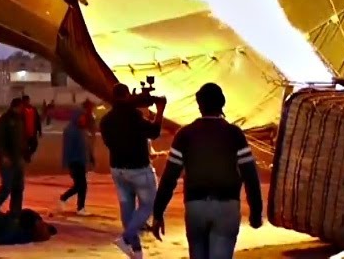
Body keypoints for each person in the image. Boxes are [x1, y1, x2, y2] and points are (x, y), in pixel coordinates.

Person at [152, 83, 263, 259]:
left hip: (195, 207)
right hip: (226, 207)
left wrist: (158, 212)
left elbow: (169, 177)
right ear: (222, 104)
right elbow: (250, 176)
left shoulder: (184, 135)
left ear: (199, 105)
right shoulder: (234, 134)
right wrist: (256, 212)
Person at [99, 83, 166, 259]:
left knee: (127, 212)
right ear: (128, 95)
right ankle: (126, 238)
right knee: (149, 205)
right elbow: (154, 132)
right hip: (139, 169)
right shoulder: (134, 116)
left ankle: (136, 252)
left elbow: (109, 143)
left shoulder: (106, 120)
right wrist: (160, 111)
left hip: (117, 169)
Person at [0, 97, 28, 213]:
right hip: (7, 159)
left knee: (18, 187)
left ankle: (16, 211)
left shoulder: (20, 120)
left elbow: (21, 139)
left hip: (18, 158)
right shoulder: (4, 121)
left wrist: (25, 152)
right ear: (15, 107)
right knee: (7, 186)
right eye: (21, 107)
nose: (22, 109)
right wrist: (4, 155)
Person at [58, 106, 93, 215]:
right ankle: (72, 203)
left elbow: (86, 146)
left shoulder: (82, 130)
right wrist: (66, 162)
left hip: (81, 161)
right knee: (80, 185)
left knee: (81, 185)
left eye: (84, 117)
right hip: (74, 162)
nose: (83, 119)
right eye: (81, 116)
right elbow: (67, 148)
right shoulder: (70, 130)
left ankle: (78, 206)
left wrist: (90, 158)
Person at [21, 94, 43, 163]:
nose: (27, 102)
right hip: (24, 133)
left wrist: (39, 131)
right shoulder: (21, 110)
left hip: (32, 132)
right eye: (25, 101)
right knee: (25, 146)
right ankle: (26, 157)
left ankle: (27, 155)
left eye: (27, 100)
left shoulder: (33, 109)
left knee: (34, 145)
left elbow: (37, 120)